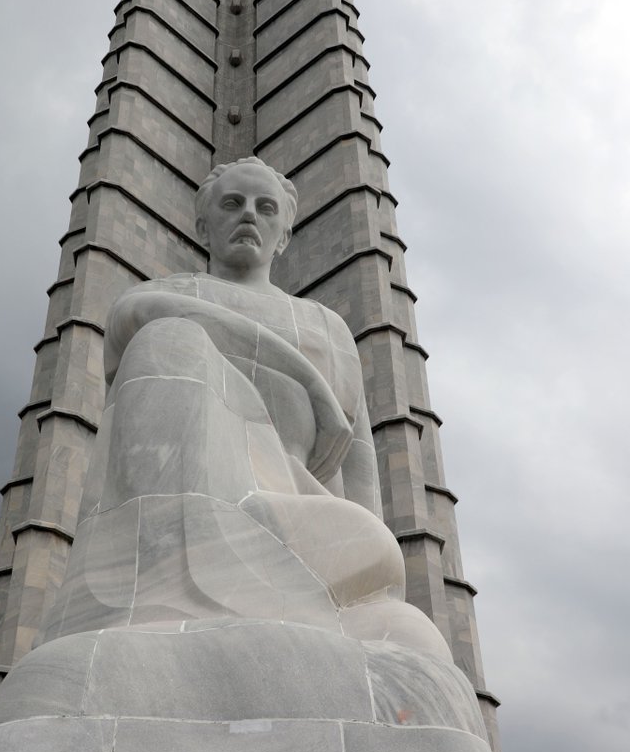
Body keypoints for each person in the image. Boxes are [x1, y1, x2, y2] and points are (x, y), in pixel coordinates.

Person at [42, 156, 450, 659]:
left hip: (302, 525)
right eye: (232, 204)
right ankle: (182, 592)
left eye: (265, 207)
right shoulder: (161, 298)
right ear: (203, 227)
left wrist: (374, 571)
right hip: (178, 527)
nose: (249, 215)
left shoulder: (328, 329)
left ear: (283, 236)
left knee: (414, 641)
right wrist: (307, 379)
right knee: (169, 341)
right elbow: (134, 315)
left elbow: (359, 472)